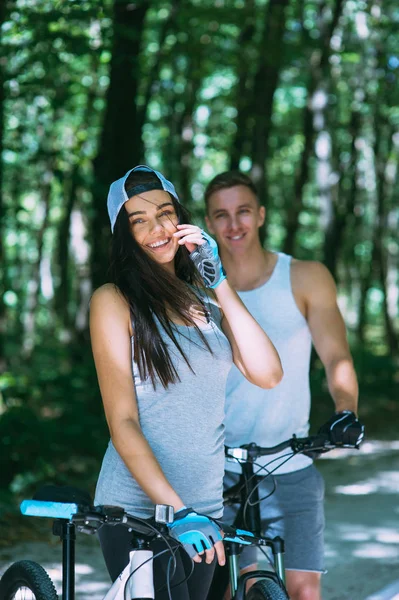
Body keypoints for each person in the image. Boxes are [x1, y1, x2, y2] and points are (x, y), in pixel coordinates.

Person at [90, 165, 283, 600]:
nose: (157, 228)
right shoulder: (112, 300)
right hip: (138, 511)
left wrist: (220, 283)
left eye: (164, 213)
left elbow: (268, 373)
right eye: (139, 220)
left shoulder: (204, 302)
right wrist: (177, 510)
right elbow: (122, 422)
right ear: (123, 233)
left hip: (205, 508)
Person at [204, 171, 364, 600]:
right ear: (208, 223)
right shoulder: (198, 291)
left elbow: (336, 356)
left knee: (303, 591)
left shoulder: (305, 276)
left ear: (260, 215)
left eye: (242, 211)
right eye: (221, 215)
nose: (233, 224)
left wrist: (345, 411)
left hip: (290, 463)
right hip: (219, 468)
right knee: (231, 588)